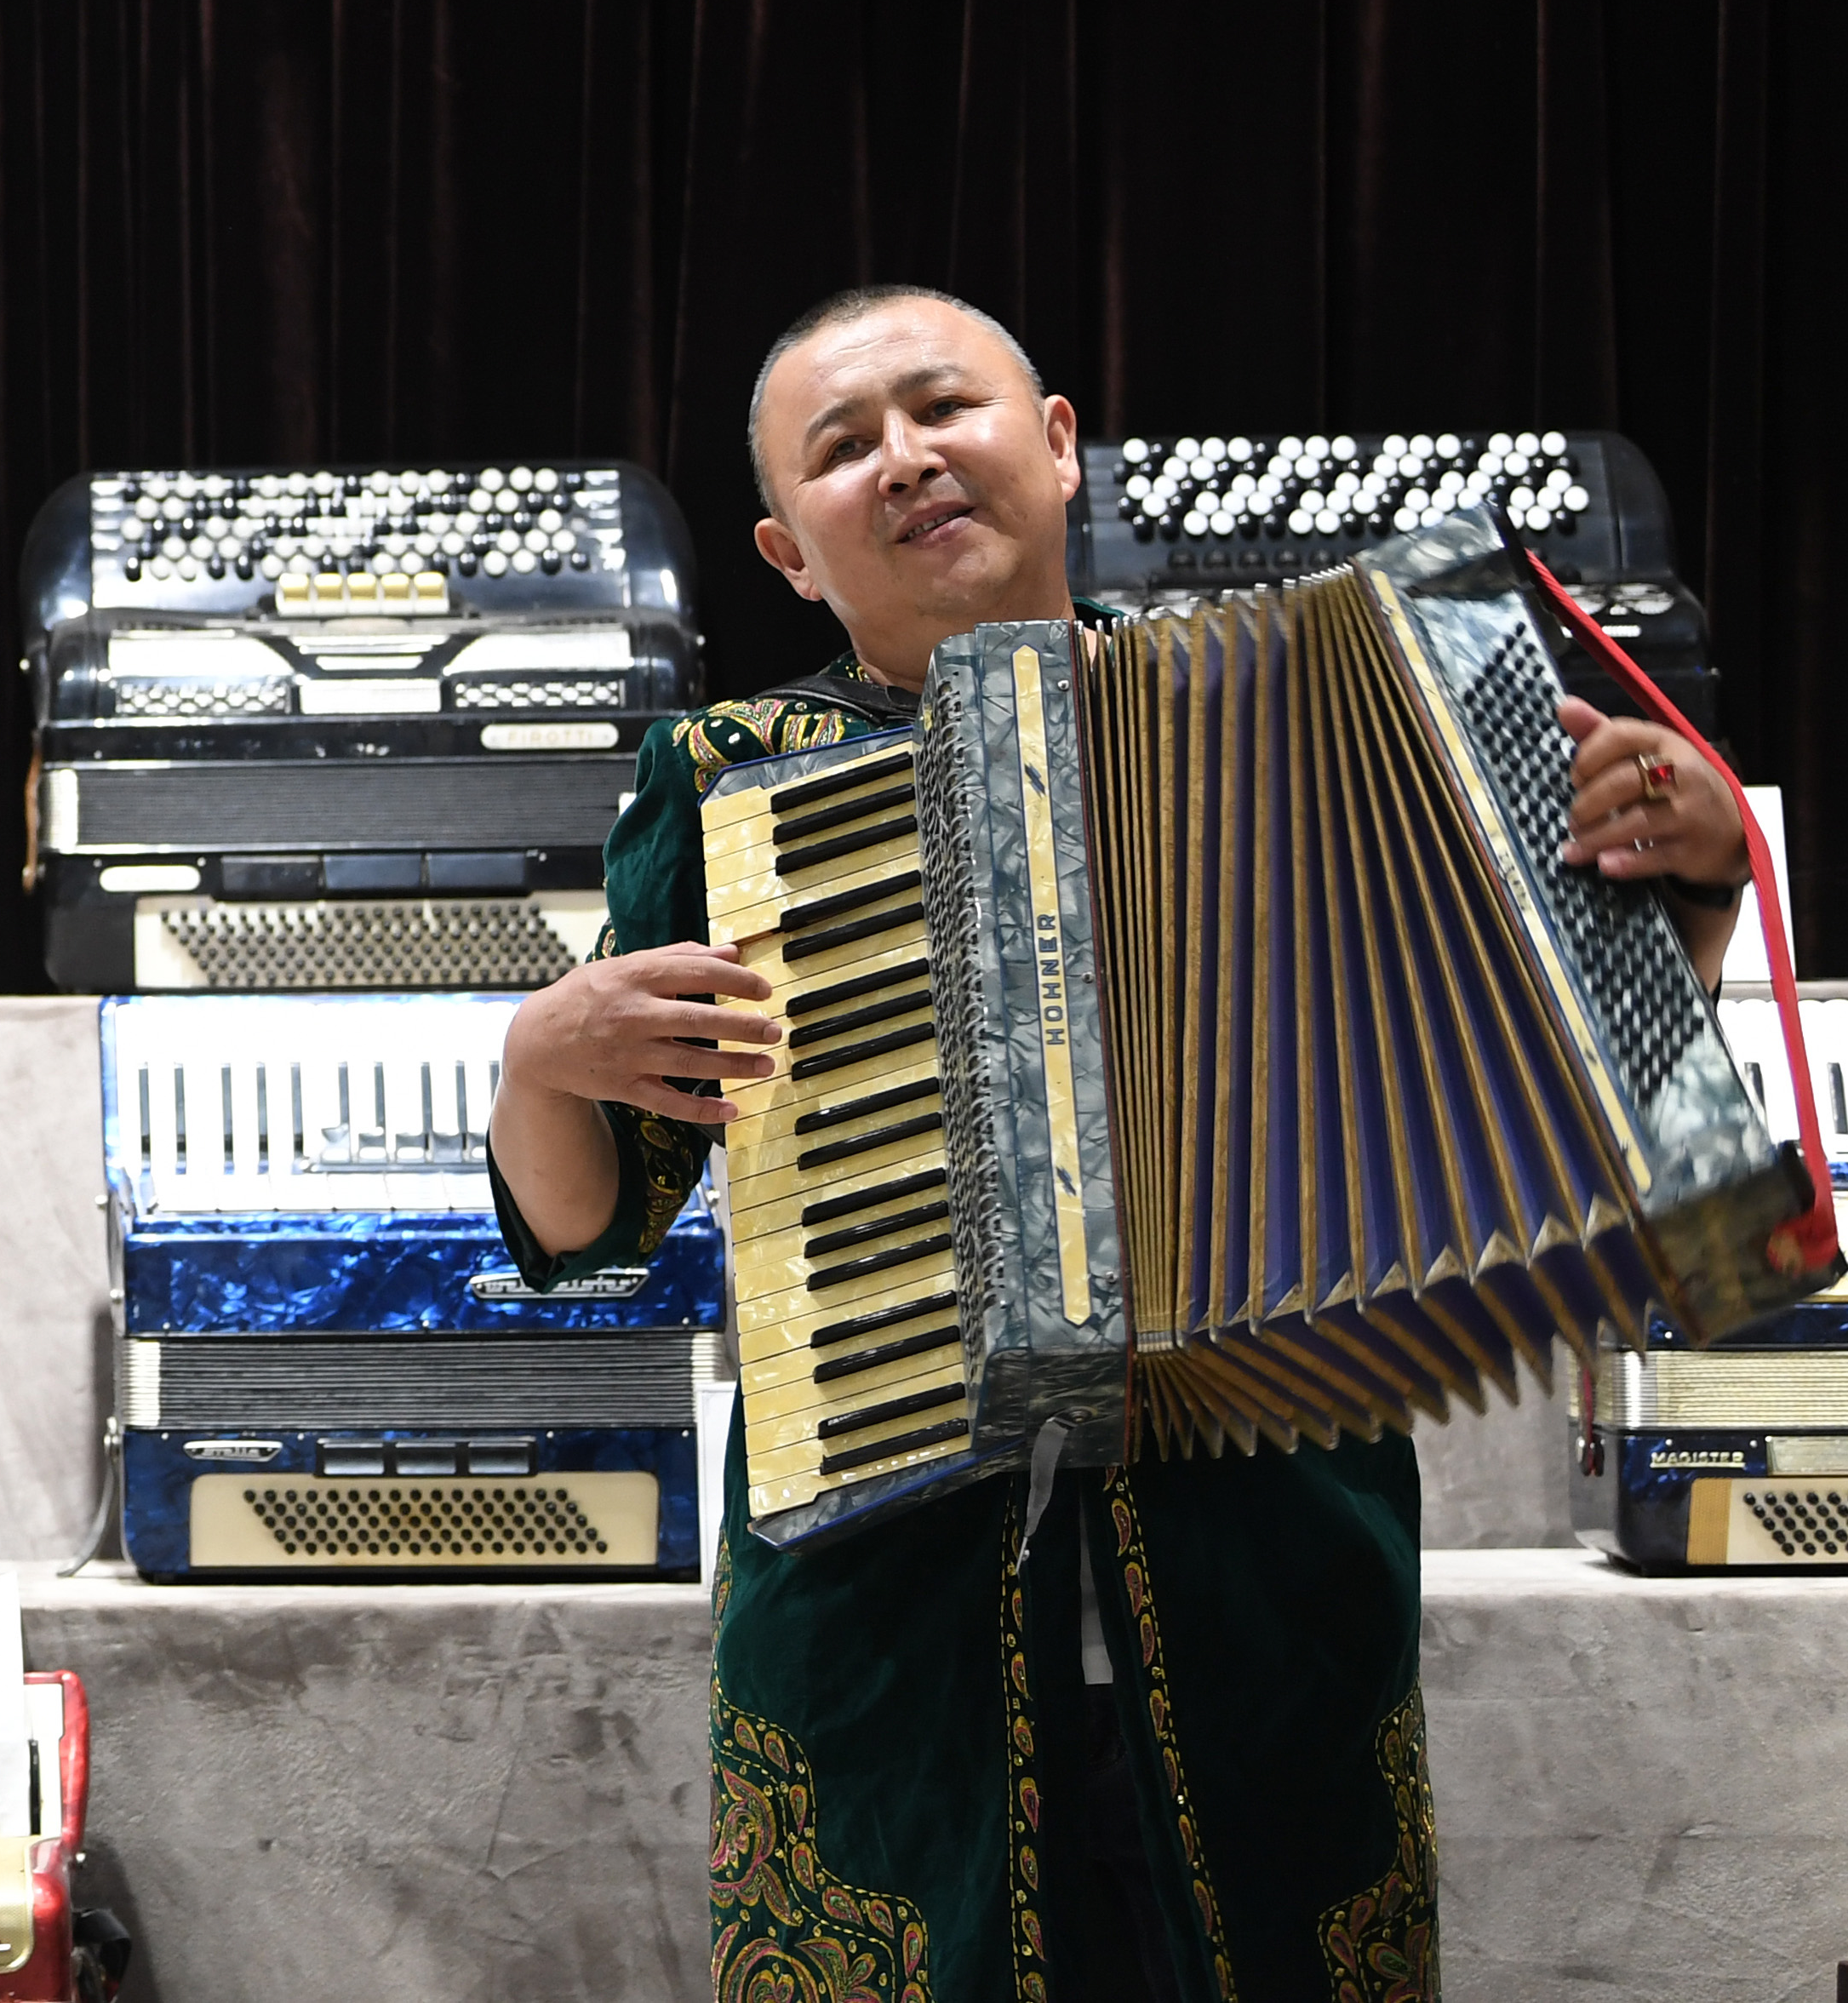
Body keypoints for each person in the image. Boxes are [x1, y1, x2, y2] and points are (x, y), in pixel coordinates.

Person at [491, 286, 1749, 2003]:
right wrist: (539, 1058)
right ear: (787, 552)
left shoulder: (1309, 723)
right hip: (885, 1643)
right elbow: (589, 1229)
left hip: (1271, 1591)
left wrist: (1690, 892)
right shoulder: (722, 781)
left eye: (943, 407)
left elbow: (1586, 1100)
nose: (905, 458)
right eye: (843, 447)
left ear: (1059, 443)